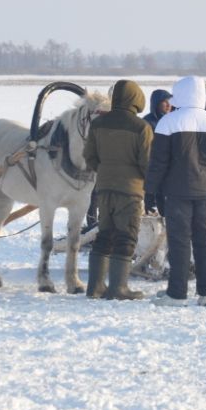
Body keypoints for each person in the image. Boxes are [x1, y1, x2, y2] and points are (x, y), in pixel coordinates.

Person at [146, 76, 206, 306]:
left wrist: (150, 191)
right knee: (205, 242)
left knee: (179, 242)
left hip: (176, 193)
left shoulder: (168, 122)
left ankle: (177, 293)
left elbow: (158, 163)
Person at [83, 79, 154, 300]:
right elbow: (147, 163)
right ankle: (119, 288)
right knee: (126, 236)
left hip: (103, 189)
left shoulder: (98, 124)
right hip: (130, 190)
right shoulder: (141, 127)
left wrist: (105, 172)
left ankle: (95, 287)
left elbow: (89, 157)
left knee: (104, 235)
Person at [143, 88, 172, 216]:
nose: (168, 104)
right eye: (164, 102)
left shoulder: (174, 120)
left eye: (170, 101)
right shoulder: (147, 122)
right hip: (152, 168)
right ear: (156, 103)